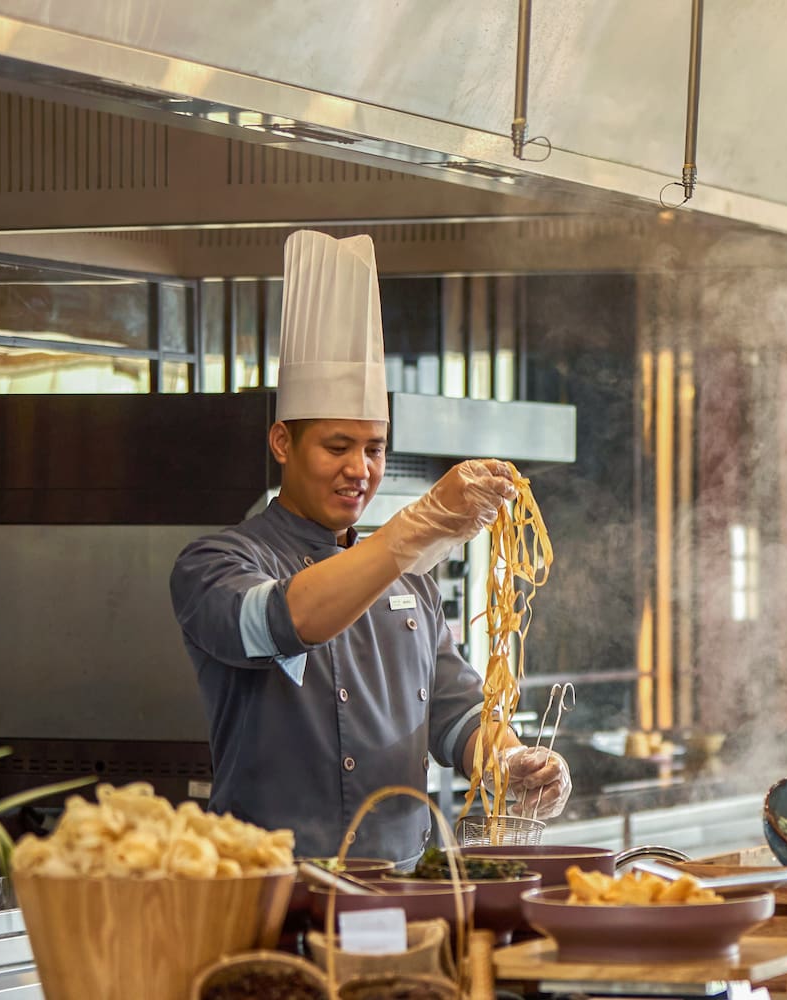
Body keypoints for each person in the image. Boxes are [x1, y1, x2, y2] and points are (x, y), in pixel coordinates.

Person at [169, 230, 569, 862]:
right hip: (273, 891)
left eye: (374, 448)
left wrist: (509, 758)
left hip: (402, 890)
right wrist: (416, 529)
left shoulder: (412, 580)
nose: (360, 468)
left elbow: (453, 709)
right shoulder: (214, 566)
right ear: (282, 442)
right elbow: (290, 619)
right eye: (336, 446)